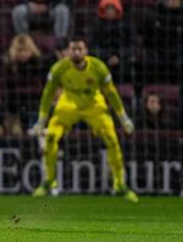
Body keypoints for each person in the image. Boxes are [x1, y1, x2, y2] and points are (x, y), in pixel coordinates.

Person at [29, 37, 138, 202]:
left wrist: (124, 119)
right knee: (50, 137)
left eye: (80, 49)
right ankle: (49, 182)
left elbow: (112, 93)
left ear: (86, 51)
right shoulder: (59, 68)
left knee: (112, 139)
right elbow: (47, 94)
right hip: (68, 103)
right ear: (68, 51)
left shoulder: (98, 67)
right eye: (73, 49)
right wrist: (41, 120)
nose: (76, 52)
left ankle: (120, 184)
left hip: (94, 104)